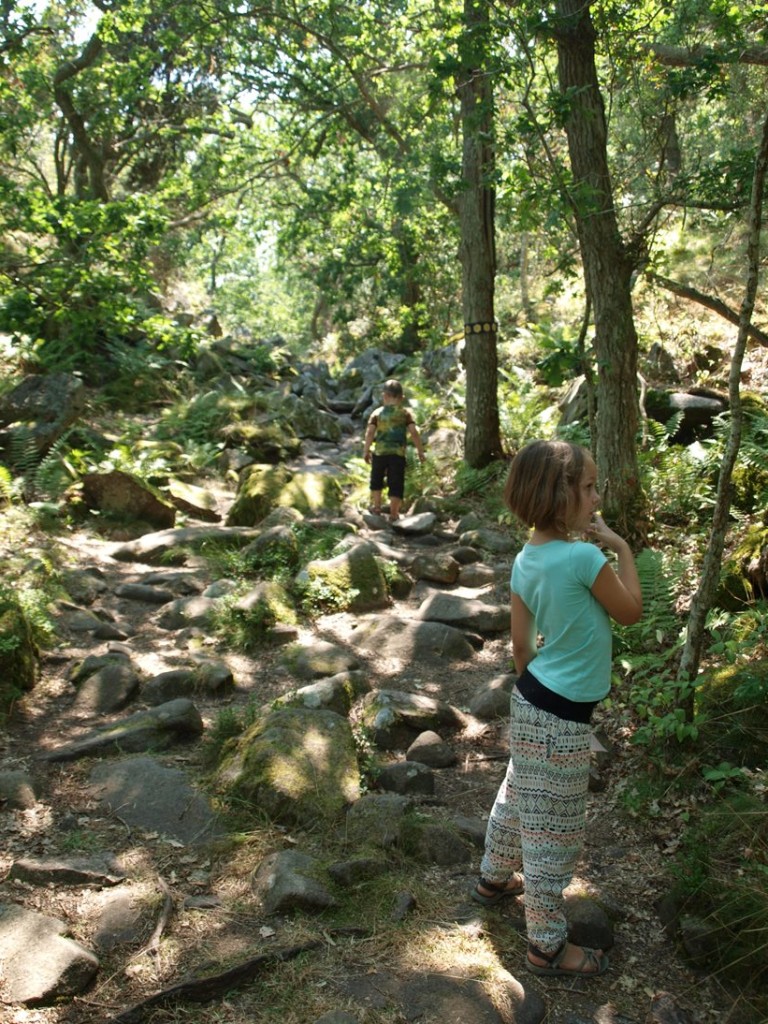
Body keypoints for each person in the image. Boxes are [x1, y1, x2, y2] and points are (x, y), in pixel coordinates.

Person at [472, 439, 642, 978]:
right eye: (589, 488)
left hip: (532, 697)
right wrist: (623, 549)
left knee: (520, 792)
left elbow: (521, 648)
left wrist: (537, 701)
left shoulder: (526, 559)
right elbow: (631, 612)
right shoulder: (584, 557)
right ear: (559, 494)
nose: (596, 498)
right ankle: (546, 945)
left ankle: (493, 877)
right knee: (553, 830)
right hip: (562, 717)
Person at [363, 379, 425, 521]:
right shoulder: (405, 413)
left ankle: (377, 508)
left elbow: (370, 433)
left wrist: (366, 451)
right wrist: (420, 451)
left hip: (380, 453)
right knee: (396, 482)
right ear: (402, 398)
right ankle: (394, 513)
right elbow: (414, 432)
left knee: (376, 480)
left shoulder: (377, 413)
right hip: (398, 455)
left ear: (384, 396)